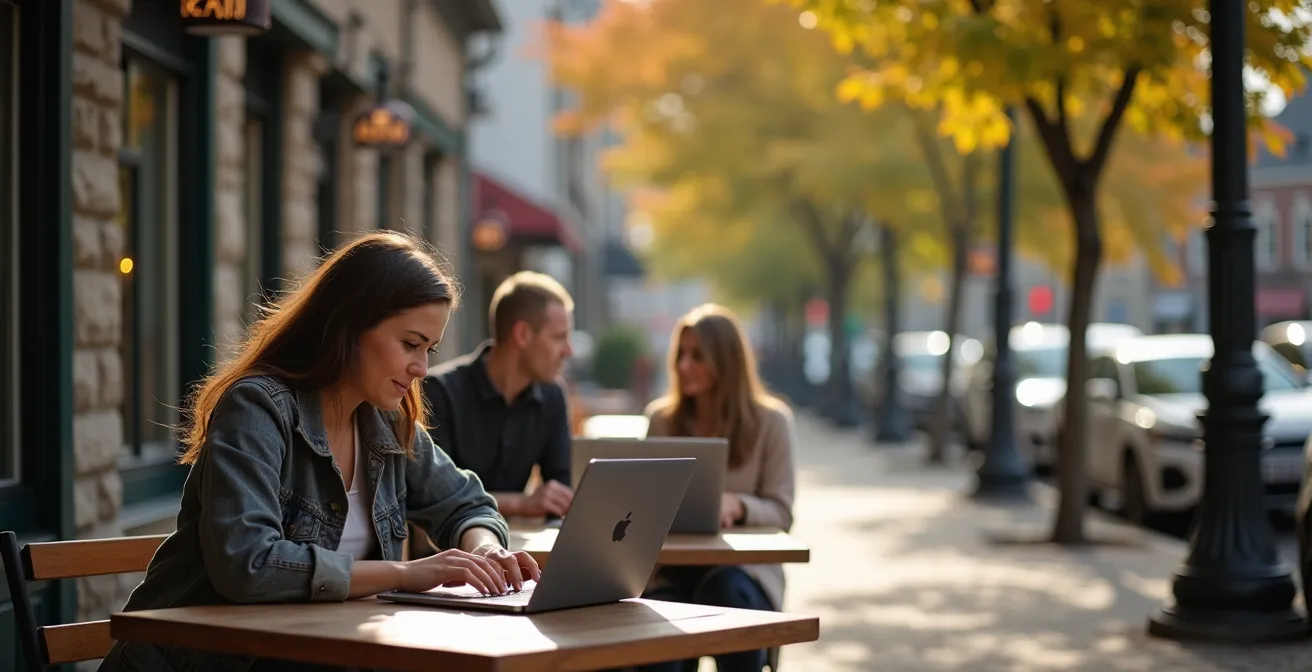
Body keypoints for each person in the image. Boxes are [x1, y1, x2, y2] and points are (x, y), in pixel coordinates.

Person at [99, 231, 540, 672]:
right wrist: (407, 575)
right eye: (410, 344)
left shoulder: (383, 420)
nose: (422, 368)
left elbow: (467, 503)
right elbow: (248, 563)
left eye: (429, 349)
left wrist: (483, 550)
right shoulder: (257, 408)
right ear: (351, 325)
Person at [639, 304, 797, 672]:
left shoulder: (772, 422)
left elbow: (782, 512)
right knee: (653, 644)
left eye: (697, 356)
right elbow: (642, 505)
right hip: (671, 571)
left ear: (725, 360)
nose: (683, 366)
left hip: (743, 572)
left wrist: (740, 506)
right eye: (681, 354)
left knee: (725, 599)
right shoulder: (661, 420)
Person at [422, 271, 576, 519]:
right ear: (523, 334)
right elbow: (435, 496)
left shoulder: (553, 396)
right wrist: (521, 503)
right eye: (559, 337)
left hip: (515, 549)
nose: (568, 351)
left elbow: (559, 496)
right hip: (448, 552)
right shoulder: (438, 391)